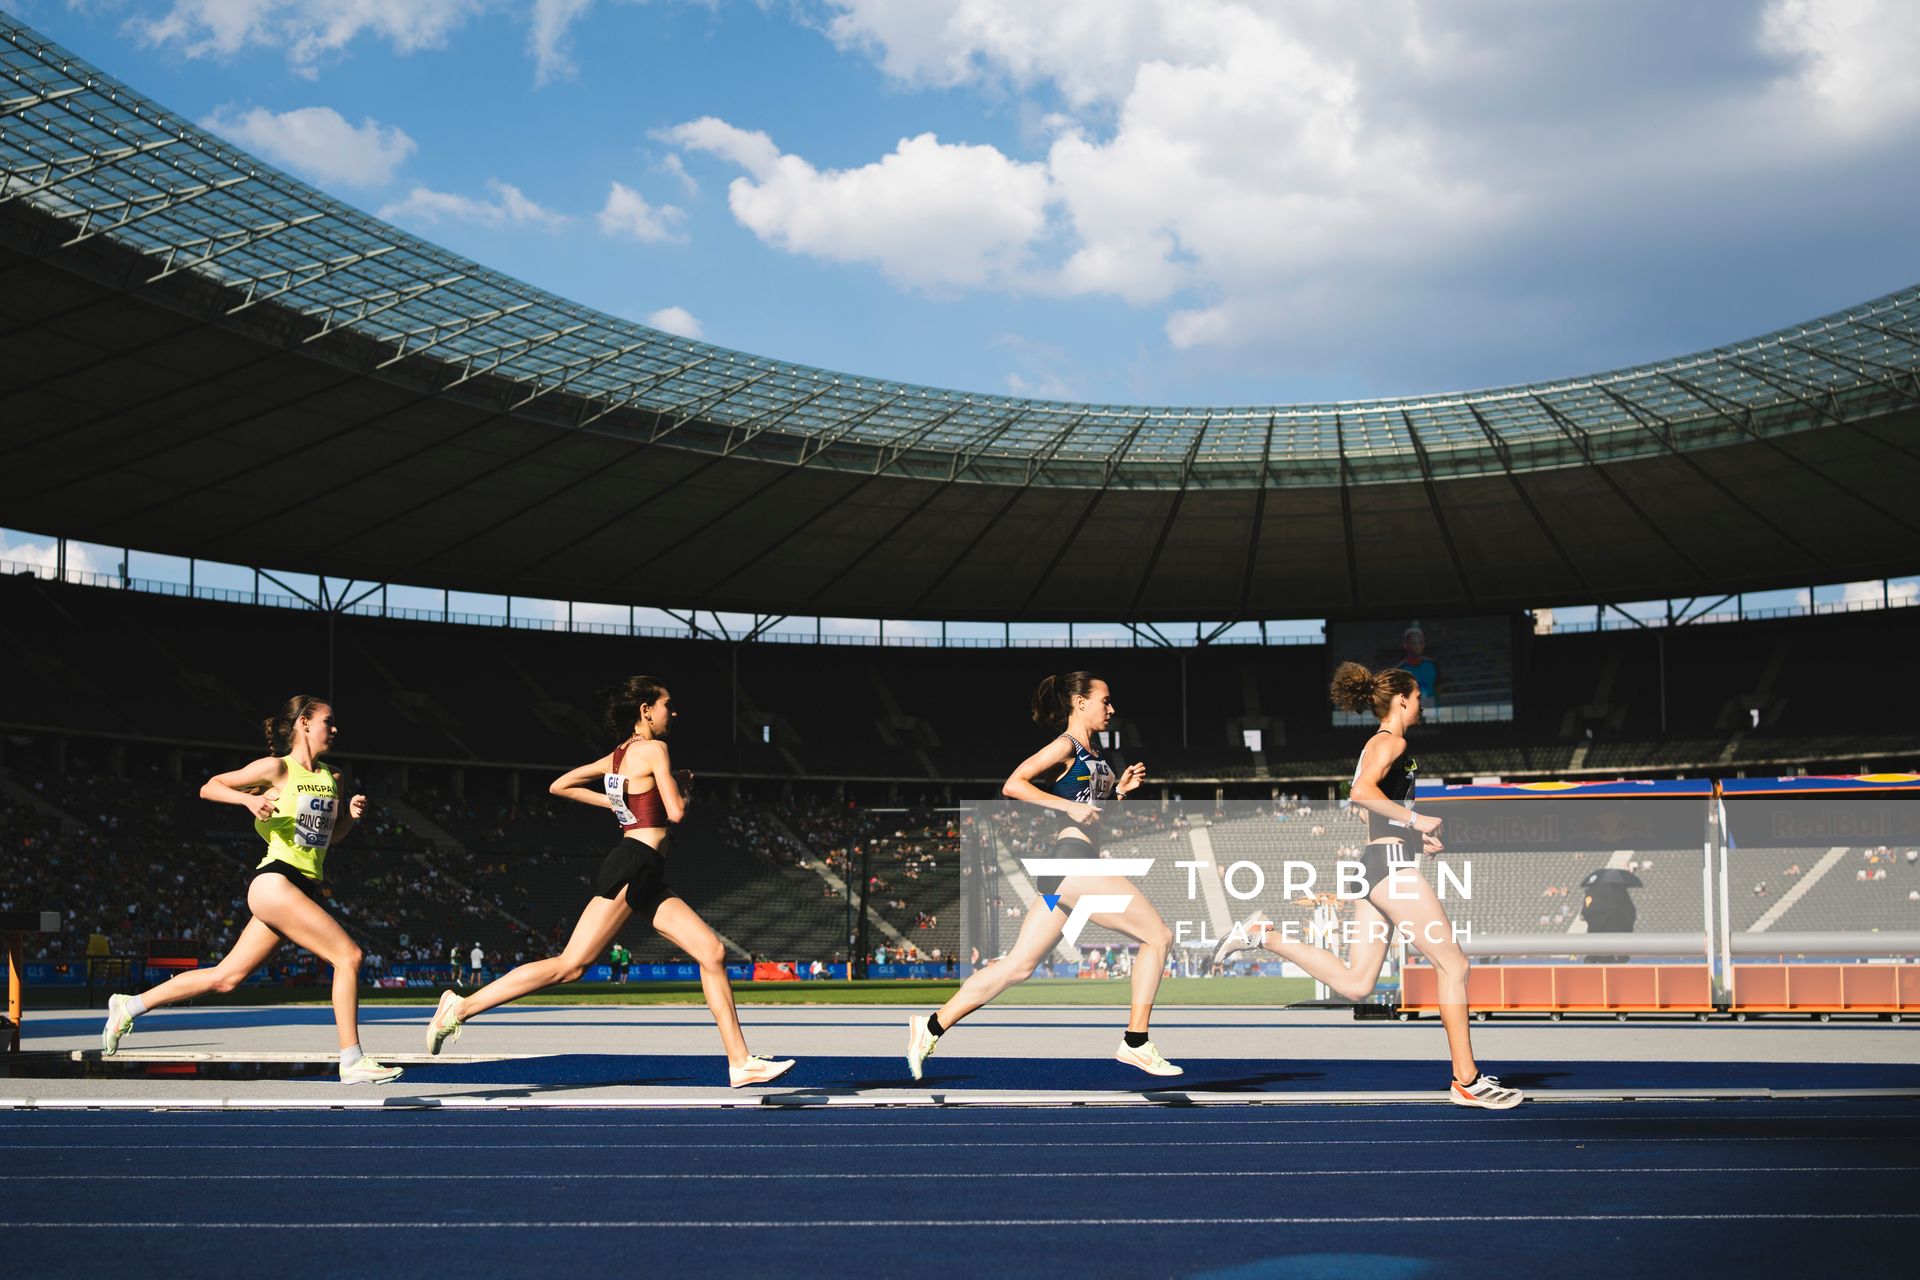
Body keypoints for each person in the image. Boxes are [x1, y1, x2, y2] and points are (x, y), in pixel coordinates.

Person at [424, 676, 793, 1087]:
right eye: (668, 704)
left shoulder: (618, 756)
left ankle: (740, 1062)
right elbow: (675, 813)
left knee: (711, 952)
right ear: (645, 710)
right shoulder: (656, 749)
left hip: (646, 870)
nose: (674, 712)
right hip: (634, 864)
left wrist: (623, 802)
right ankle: (459, 1007)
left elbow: (560, 785)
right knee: (570, 966)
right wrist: (677, 786)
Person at [1212, 662, 1520, 1110]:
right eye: (1418, 698)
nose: (1422, 705)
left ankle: (1263, 936)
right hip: (1390, 868)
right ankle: (1466, 1080)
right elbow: (1359, 793)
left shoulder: (1377, 744)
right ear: (1401, 700)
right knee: (1454, 966)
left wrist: (1417, 835)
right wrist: (1417, 819)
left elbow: (1367, 810)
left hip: (1377, 863)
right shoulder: (1391, 741)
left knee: (1357, 984)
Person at [99, 696, 402, 1085]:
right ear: (304, 724)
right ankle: (352, 1059)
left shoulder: (334, 777)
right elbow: (210, 787)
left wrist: (351, 819)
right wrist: (248, 799)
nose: (336, 728)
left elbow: (326, 840)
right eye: (330, 720)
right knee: (349, 956)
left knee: (227, 977)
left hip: (299, 886)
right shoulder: (276, 768)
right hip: (274, 881)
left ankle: (130, 1004)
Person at [907, 671, 1181, 1079]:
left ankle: (929, 1026)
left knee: (1018, 966)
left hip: (1065, 872)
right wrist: (1065, 807)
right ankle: (1135, 1042)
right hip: (1072, 864)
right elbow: (1013, 784)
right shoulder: (1064, 745)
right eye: (1104, 700)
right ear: (1080, 702)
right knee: (1157, 936)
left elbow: (1091, 808)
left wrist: (1119, 792)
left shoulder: (1095, 753)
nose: (1112, 708)